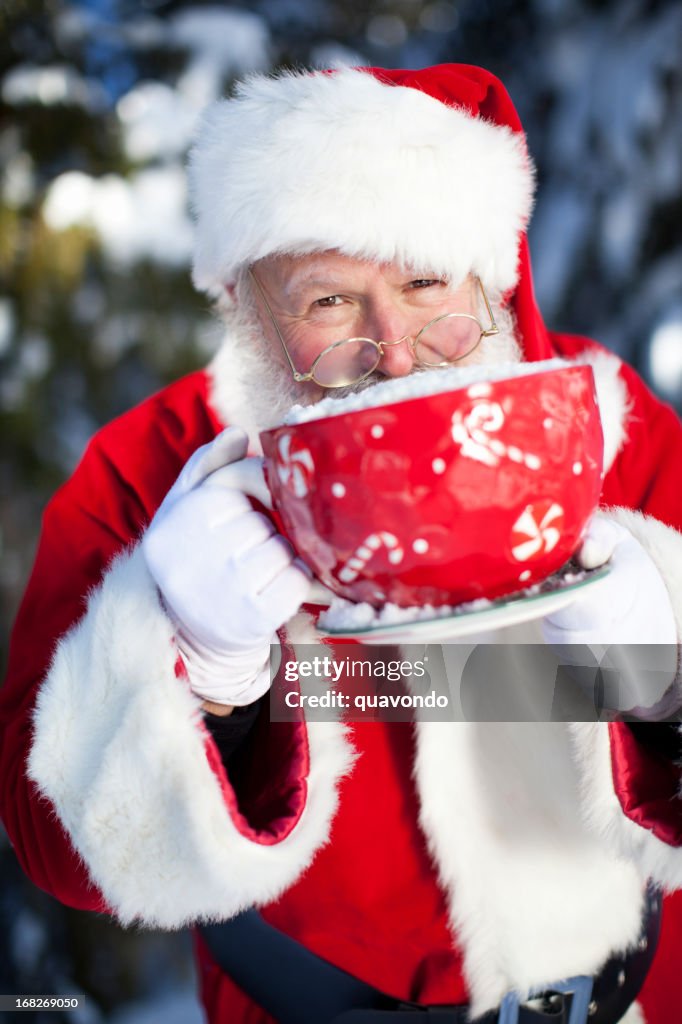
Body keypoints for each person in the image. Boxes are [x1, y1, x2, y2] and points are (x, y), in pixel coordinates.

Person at [2, 63, 682, 1024]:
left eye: (424, 280)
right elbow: (56, 845)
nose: (394, 349)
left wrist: (665, 673)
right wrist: (195, 667)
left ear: (489, 278)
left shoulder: (613, 429)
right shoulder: (152, 470)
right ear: (245, 306)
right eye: (328, 301)